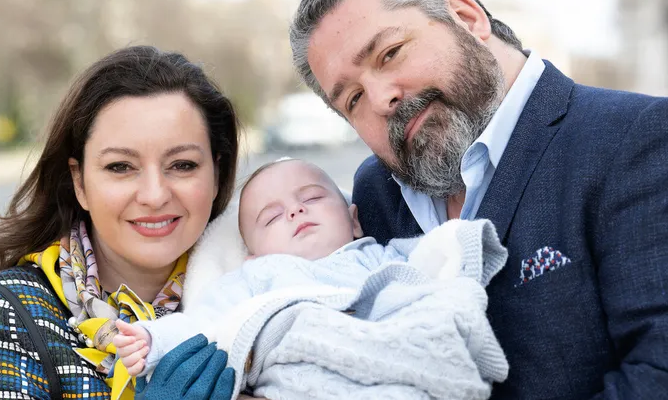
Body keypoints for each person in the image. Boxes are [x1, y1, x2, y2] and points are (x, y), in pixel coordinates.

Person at [289, 0, 668, 399]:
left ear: (466, 17)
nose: (381, 100)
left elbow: (657, 374)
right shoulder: (373, 195)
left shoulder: (638, 138)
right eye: (354, 99)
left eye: (390, 53)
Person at [0, 46, 240, 400]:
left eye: (183, 165)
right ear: (79, 182)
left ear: (217, 175)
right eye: (120, 167)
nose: (155, 195)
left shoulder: (262, 292)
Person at [113, 158, 509, 399]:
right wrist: (153, 340)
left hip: (400, 363)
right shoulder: (258, 278)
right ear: (252, 255)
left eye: (312, 198)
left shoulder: (383, 257)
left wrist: (463, 244)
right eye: (270, 216)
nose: (295, 212)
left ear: (354, 221)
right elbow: (205, 325)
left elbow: (440, 267)